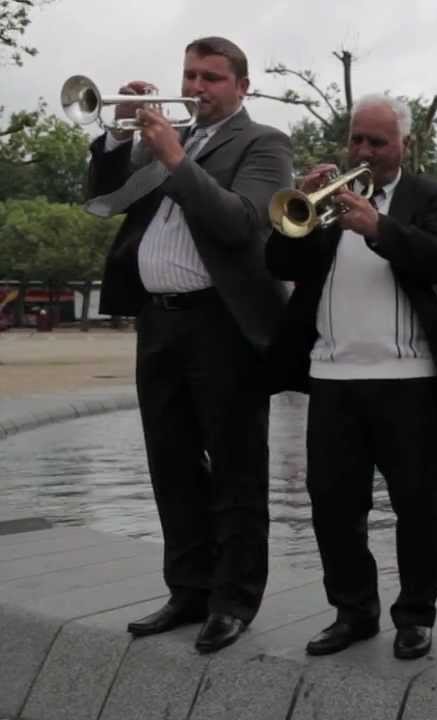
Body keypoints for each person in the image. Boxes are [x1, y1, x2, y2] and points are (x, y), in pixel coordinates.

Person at [85, 36, 291, 654]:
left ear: (241, 87)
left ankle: (234, 601)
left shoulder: (264, 143)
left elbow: (241, 222)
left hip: (222, 324)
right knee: (170, 463)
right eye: (190, 75)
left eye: (212, 77)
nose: (196, 87)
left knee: (234, 467)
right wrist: (121, 140)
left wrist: (176, 160)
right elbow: (101, 202)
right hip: (160, 321)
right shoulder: (164, 140)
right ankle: (188, 590)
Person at [264, 94, 437, 660]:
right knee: (331, 504)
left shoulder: (433, 196)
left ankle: (415, 616)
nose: (364, 151)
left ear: (404, 145)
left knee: (417, 504)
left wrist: (378, 226)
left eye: (377, 142)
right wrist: (301, 211)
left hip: (411, 379)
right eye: (357, 139)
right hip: (332, 377)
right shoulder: (326, 203)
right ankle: (353, 612)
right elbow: (280, 266)